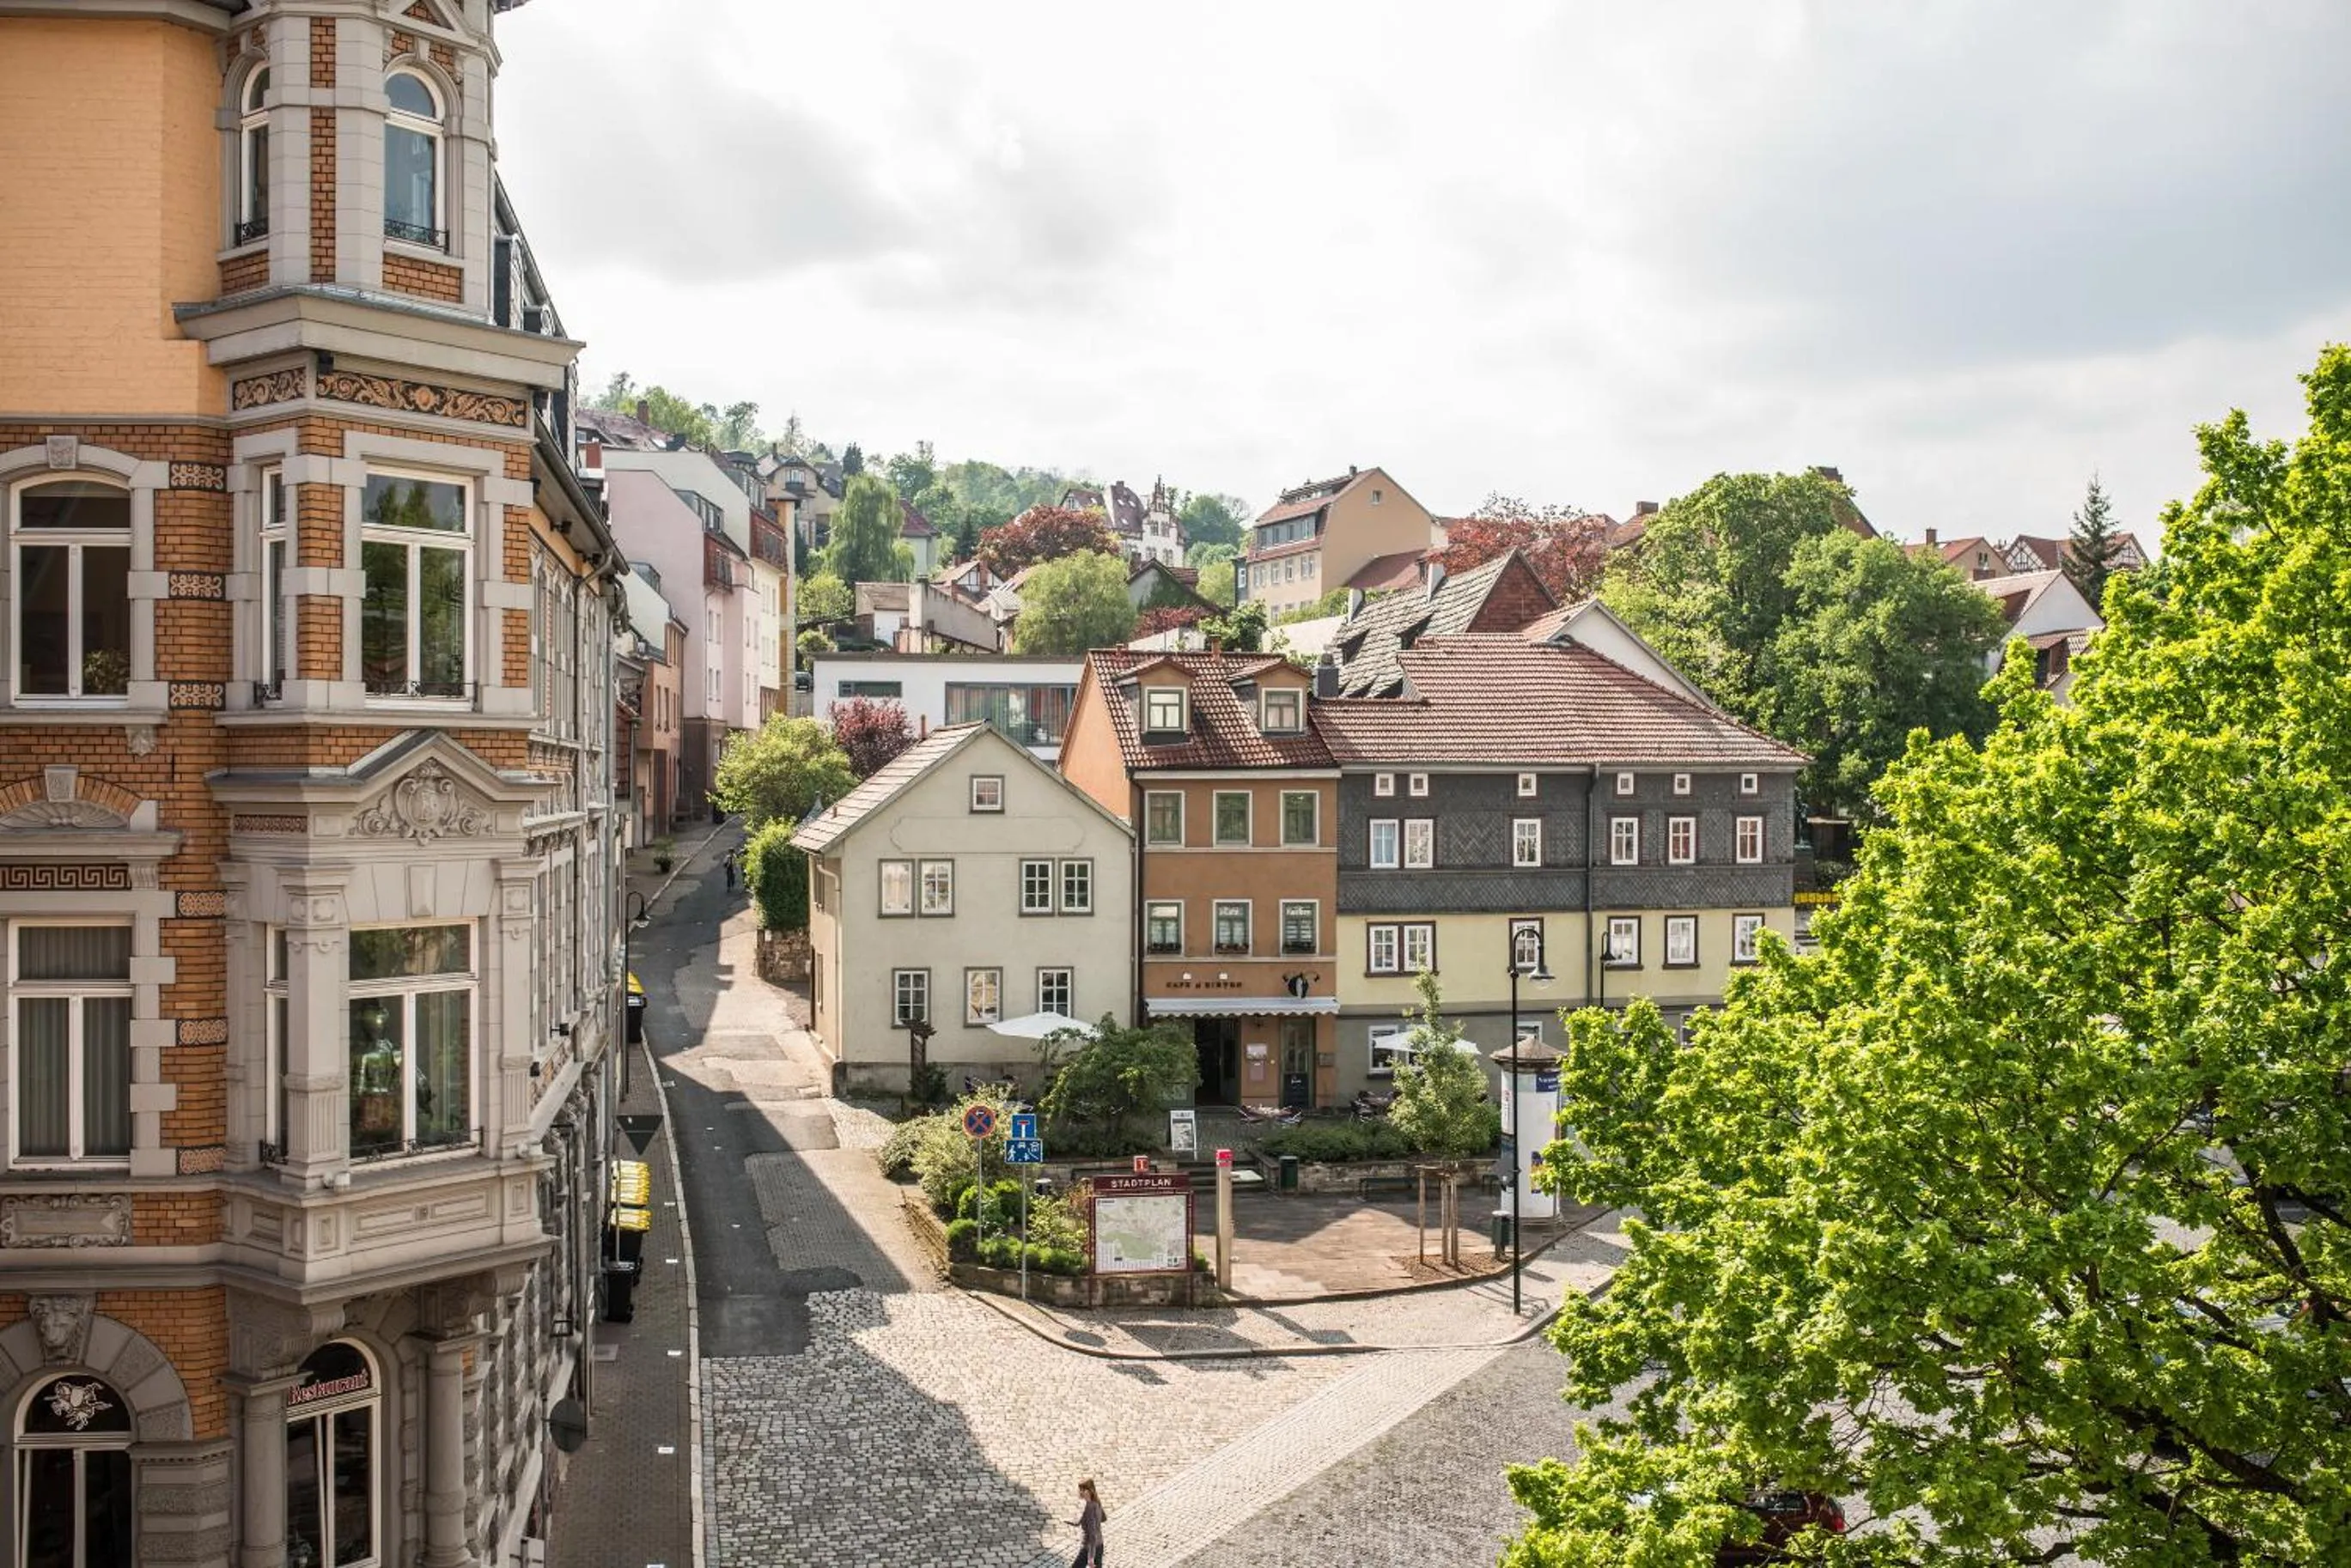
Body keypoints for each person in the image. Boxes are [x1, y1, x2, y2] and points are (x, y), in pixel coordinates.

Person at [1067, 1479, 1105, 1567]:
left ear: (1088, 1491)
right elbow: (1103, 1518)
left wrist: (1091, 1557)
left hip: (1089, 1548)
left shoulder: (1089, 1508)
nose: (1080, 1492)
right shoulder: (1096, 1502)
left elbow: (1092, 1535)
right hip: (1100, 1545)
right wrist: (1071, 1522)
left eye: (1082, 1490)